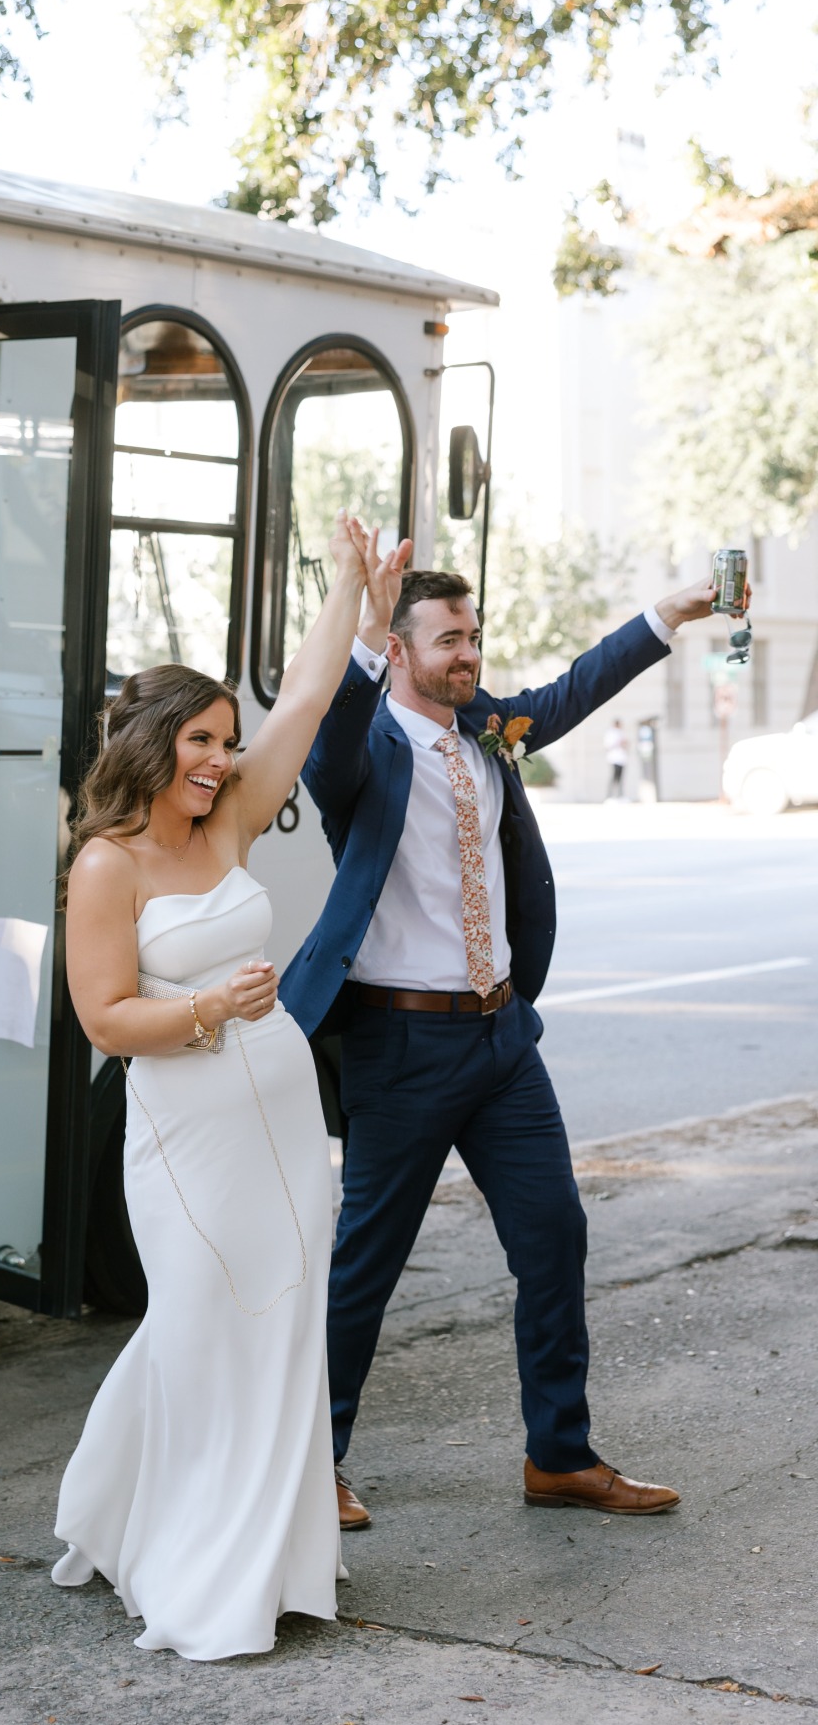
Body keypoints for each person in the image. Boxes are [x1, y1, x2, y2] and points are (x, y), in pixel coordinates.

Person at [279, 533, 733, 1529]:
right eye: (448, 638)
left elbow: (569, 692)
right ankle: (310, 1459)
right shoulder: (364, 751)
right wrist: (359, 628)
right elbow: (330, 746)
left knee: (555, 1232)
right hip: (397, 1047)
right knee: (369, 1259)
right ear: (398, 652)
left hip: (499, 1040)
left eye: (473, 635)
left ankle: (559, 1452)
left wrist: (669, 612)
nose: (468, 653)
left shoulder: (485, 726)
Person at [51, 512, 413, 1660]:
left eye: (225, 740)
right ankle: (181, 1547)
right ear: (151, 743)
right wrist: (211, 1007)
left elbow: (306, 697)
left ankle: (279, 1558)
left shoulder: (234, 818)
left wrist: (359, 590)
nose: (219, 758)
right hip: (187, 1129)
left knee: (281, 1327)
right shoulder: (108, 864)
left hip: (283, 1120)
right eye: (200, 739)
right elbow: (104, 1017)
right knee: (204, 1325)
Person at [604, 717, 628, 799]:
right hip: (614, 759)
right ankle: (610, 796)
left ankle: (620, 795)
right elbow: (608, 746)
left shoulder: (621, 732)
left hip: (622, 759)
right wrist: (618, 743)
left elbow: (625, 744)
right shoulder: (611, 733)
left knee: (620, 778)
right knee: (614, 778)